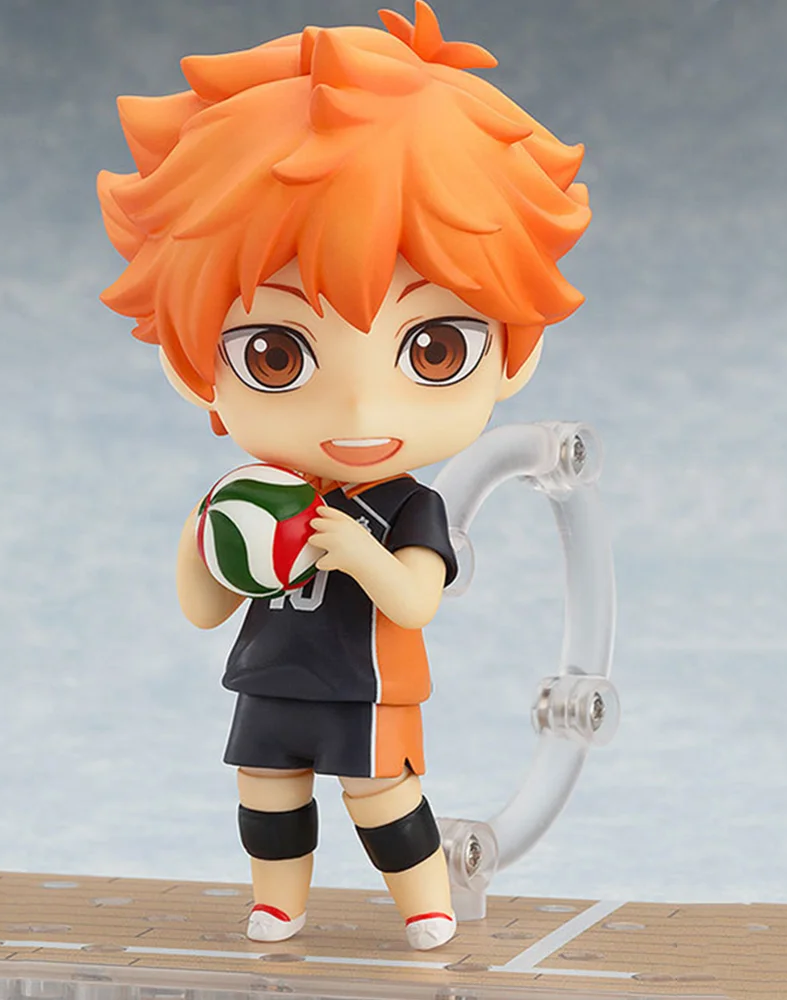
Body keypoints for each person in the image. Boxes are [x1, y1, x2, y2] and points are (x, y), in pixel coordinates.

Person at [97, 0, 591, 950]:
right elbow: (204, 608)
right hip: (271, 671)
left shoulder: (410, 503)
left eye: (433, 348)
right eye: (277, 355)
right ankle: (277, 900)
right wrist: (203, 538)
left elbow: (415, 601)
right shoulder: (251, 495)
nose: (361, 414)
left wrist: (356, 551)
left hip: (367, 685)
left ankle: (426, 901)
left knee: (381, 795)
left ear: (515, 353)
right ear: (194, 365)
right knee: (266, 789)